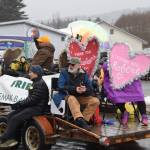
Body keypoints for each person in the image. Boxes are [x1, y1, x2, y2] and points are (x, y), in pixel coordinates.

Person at [0, 65, 49, 148]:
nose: (29, 74)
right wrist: (19, 105)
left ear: (36, 74)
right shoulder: (35, 82)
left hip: (37, 109)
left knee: (15, 118)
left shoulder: (40, 84)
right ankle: (14, 138)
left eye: (31, 72)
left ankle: (4, 138)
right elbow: (30, 99)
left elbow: (33, 100)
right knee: (10, 115)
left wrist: (19, 104)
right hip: (33, 106)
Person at [55, 57, 100, 130]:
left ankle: (84, 121)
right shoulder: (64, 72)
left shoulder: (83, 74)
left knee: (95, 101)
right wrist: (75, 89)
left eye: (73, 65)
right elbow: (60, 86)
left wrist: (85, 90)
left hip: (80, 96)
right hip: (67, 96)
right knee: (72, 99)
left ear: (78, 65)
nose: (70, 66)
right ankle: (79, 119)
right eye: (69, 64)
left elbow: (90, 88)